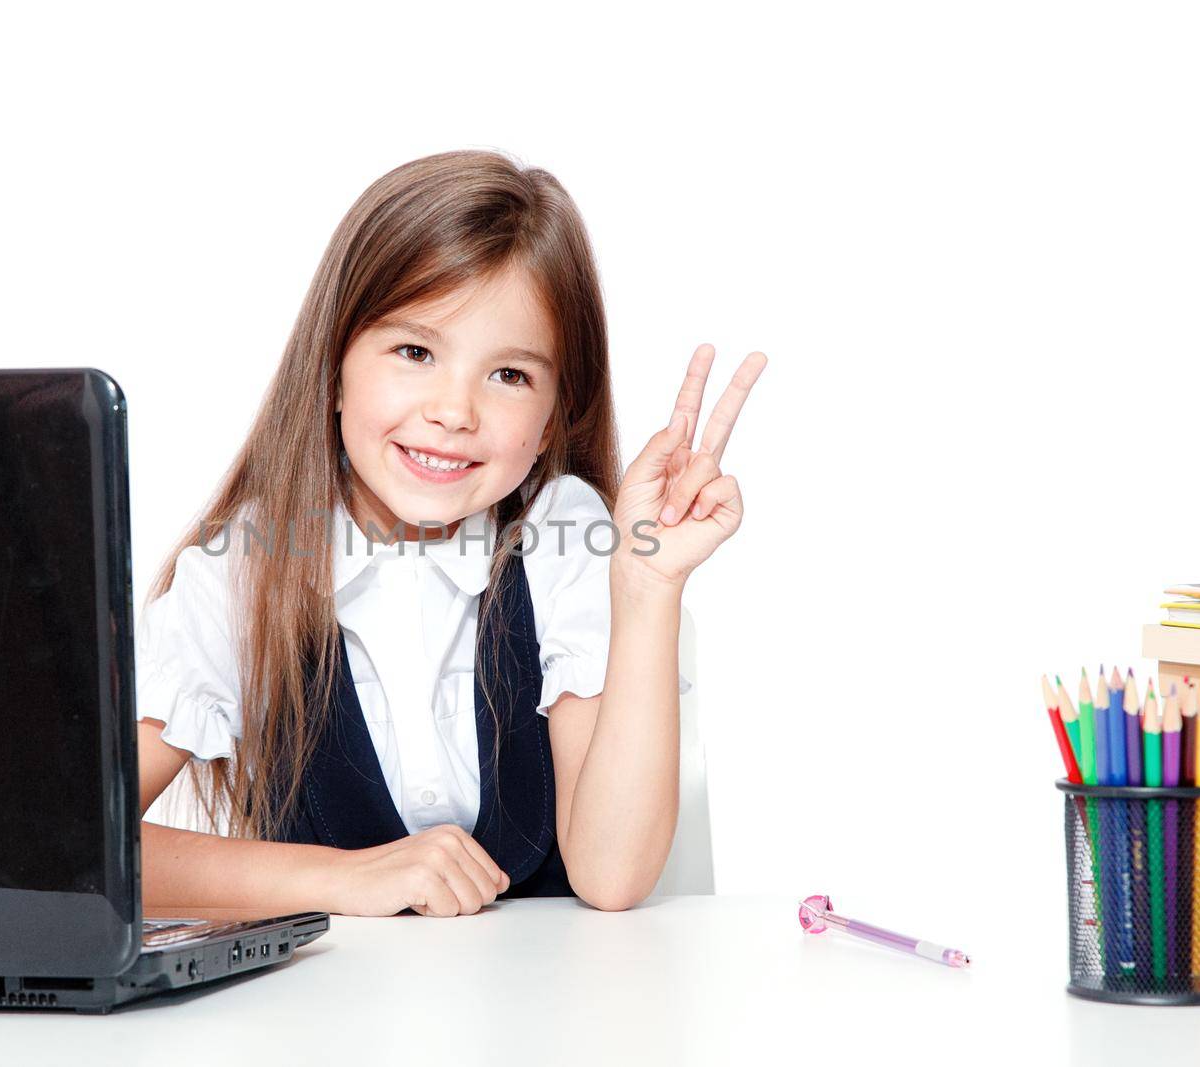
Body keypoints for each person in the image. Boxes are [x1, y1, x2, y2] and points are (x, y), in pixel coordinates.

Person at [135, 148, 765, 916]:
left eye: (510, 375)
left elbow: (612, 873)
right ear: (334, 367)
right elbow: (71, 855)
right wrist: (339, 878)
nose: (455, 410)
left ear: (550, 421)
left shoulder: (562, 536)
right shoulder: (248, 564)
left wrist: (646, 588)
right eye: (415, 351)